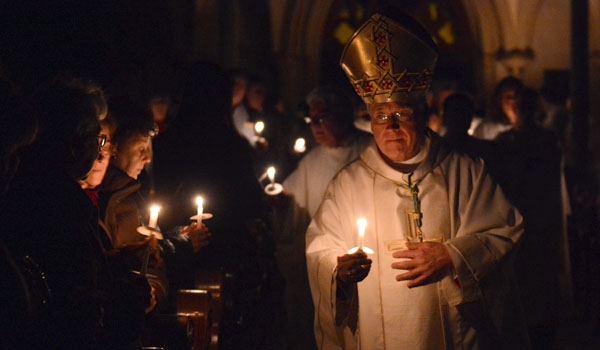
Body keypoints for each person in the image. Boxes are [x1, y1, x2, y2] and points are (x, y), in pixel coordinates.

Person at [305, 9, 530, 349]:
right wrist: (339, 271)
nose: (391, 126)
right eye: (381, 116)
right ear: (369, 120)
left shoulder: (465, 173)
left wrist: (453, 255)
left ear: (423, 115)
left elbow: (506, 230)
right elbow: (320, 249)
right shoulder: (347, 185)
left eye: (402, 114)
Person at [152, 61, 282, 349]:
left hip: (182, 252)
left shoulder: (166, 144)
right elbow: (249, 203)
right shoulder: (231, 146)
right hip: (210, 250)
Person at [0, 75, 109, 348]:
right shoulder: (56, 208)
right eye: (98, 139)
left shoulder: (56, 200)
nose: (100, 153)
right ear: (74, 145)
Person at [272, 85, 371, 350]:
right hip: (324, 259)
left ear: (341, 115)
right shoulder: (312, 159)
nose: (315, 126)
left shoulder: (370, 150)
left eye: (321, 118)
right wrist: (281, 201)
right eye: (311, 120)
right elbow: (293, 200)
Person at [493, 87, 570, 349]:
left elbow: (546, 176)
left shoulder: (547, 139)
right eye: (517, 106)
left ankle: (543, 325)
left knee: (541, 272)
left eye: (526, 107)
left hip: (540, 214)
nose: (521, 112)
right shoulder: (504, 141)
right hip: (513, 216)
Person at [472, 76, 524, 140]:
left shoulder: (529, 131)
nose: (511, 102)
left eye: (513, 97)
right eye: (508, 97)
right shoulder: (484, 129)